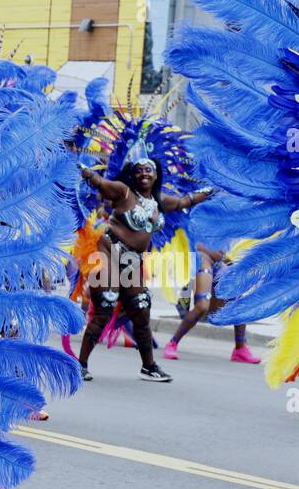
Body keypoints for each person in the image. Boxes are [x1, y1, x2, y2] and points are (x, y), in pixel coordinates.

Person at [76, 154, 212, 383]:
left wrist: (211, 190)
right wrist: (79, 166)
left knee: (140, 309)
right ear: (132, 174)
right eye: (139, 170)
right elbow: (98, 182)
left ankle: (149, 366)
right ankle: (80, 365)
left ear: (156, 174)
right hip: (108, 254)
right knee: (106, 303)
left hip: (132, 261)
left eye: (148, 170)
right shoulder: (122, 191)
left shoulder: (160, 202)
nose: (144, 174)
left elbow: (185, 201)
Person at [162, 243, 261, 364]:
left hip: (219, 262)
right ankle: (172, 343)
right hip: (202, 258)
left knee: (239, 302)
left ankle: (240, 349)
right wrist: (210, 251)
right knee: (202, 306)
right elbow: (188, 240)